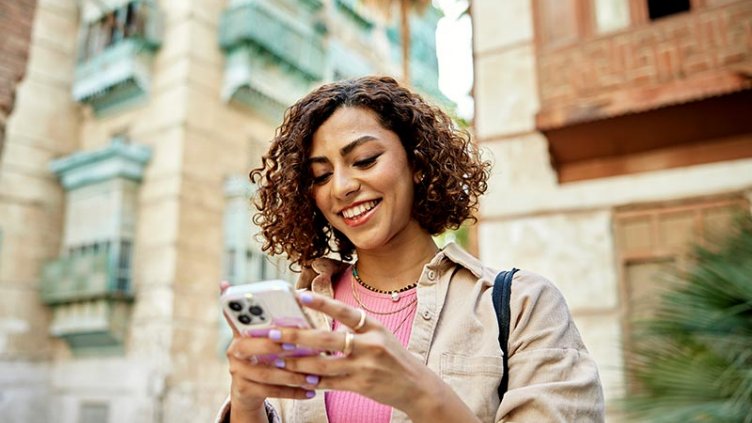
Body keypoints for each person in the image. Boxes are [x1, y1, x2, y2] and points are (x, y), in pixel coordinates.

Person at [215, 76, 604, 423]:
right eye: (322, 175)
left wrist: (418, 394)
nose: (342, 187)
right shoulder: (302, 316)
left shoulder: (521, 306)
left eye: (365, 160)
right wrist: (246, 405)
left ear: (417, 162)